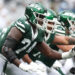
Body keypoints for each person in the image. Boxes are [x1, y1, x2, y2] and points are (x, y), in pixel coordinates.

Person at [0, 3, 75, 75]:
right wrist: (23, 64)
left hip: (13, 60)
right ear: (31, 15)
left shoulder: (38, 31)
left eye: (43, 17)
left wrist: (67, 55)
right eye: (40, 17)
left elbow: (49, 52)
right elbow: (6, 49)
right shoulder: (23, 24)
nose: (42, 20)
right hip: (2, 57)